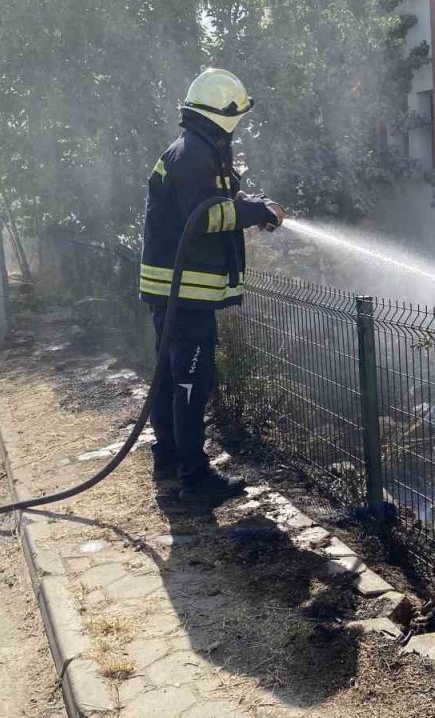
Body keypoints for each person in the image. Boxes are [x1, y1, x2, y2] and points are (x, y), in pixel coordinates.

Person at [140, 68, 285, 503]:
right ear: (223, 114)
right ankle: (195, 480)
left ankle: (169, 457)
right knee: (189, 383)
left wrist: (254, 212)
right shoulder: (194, 156)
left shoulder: (196, 151)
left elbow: (215, 204)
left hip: (178, 292)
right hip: (184, 296)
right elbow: (202, 216)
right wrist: (254, 210)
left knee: (171, 378)